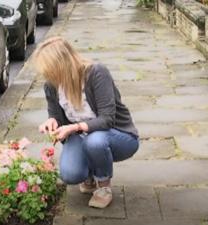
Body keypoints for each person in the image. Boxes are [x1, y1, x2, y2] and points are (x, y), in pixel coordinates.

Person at [33, 36, 139, 209]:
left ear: (61, 65)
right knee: (70, 175)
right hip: (81, 136)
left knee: (95, 141)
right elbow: (56, 117)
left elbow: (107, 119)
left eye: (50, 70)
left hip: (119, 136)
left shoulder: (96, 73)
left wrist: (75, 127)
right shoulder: (52, 86)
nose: (48, 76)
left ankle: (104, 187)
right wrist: (51, 122)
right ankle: (89, 173)